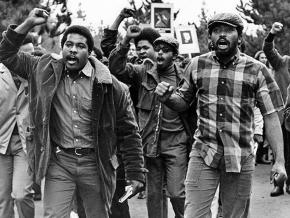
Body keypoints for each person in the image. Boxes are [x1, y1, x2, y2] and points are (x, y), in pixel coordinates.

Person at [0, 8, 146, 218]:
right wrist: (28, 23)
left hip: (96, 164)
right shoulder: (44, 70)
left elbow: (129, 132)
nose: (73, 50)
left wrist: (136, 172)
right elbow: (6, 54)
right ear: (62, 48)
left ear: (89, 52)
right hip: (60, 163)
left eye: (80, 46)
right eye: (69, 44)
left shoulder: (111, 86)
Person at [154, 12, 287, 218]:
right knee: (193, 215)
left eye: (228, 30)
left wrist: (279, 161)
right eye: (217, 30)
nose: (222, 35)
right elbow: (182, 103)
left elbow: (270, 116)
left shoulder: (257, 70)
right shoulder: (196, 65)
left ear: (240, 37)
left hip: (240, 156)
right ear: (210, 38)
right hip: (203, 152)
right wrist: (169, 98)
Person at [109, 25, 195, 218]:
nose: (161, 54)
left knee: (176, 193)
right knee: (154, 196)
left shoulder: (185, 76)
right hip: (150, 144)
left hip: (177, 143)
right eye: (158, 50)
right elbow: (116, 68)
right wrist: (124, 42)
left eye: (166, 51)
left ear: (175, 54)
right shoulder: (143, 72)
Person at [0, 34, 35, 218]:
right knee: (3, 198)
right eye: (25, 55)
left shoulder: (37, 74)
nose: (30, 59)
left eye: (33, 53)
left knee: (21, 195)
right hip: (1, 142)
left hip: (26, 143)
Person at [263, 22, 290, 196]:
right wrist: (271, 34)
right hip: (282, 115)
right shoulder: (283, 62)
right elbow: (268, 51)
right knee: (279, 151)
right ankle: (278, 184)